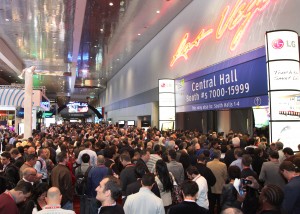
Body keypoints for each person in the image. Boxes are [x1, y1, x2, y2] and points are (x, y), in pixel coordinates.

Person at [207, 149, 227, 214]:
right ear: (219, 156)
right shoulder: (223, 165)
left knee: (211, 205)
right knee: (219, 205)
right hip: (220, 188)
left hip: (211, 188)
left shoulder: (208, 164)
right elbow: (225, 177)